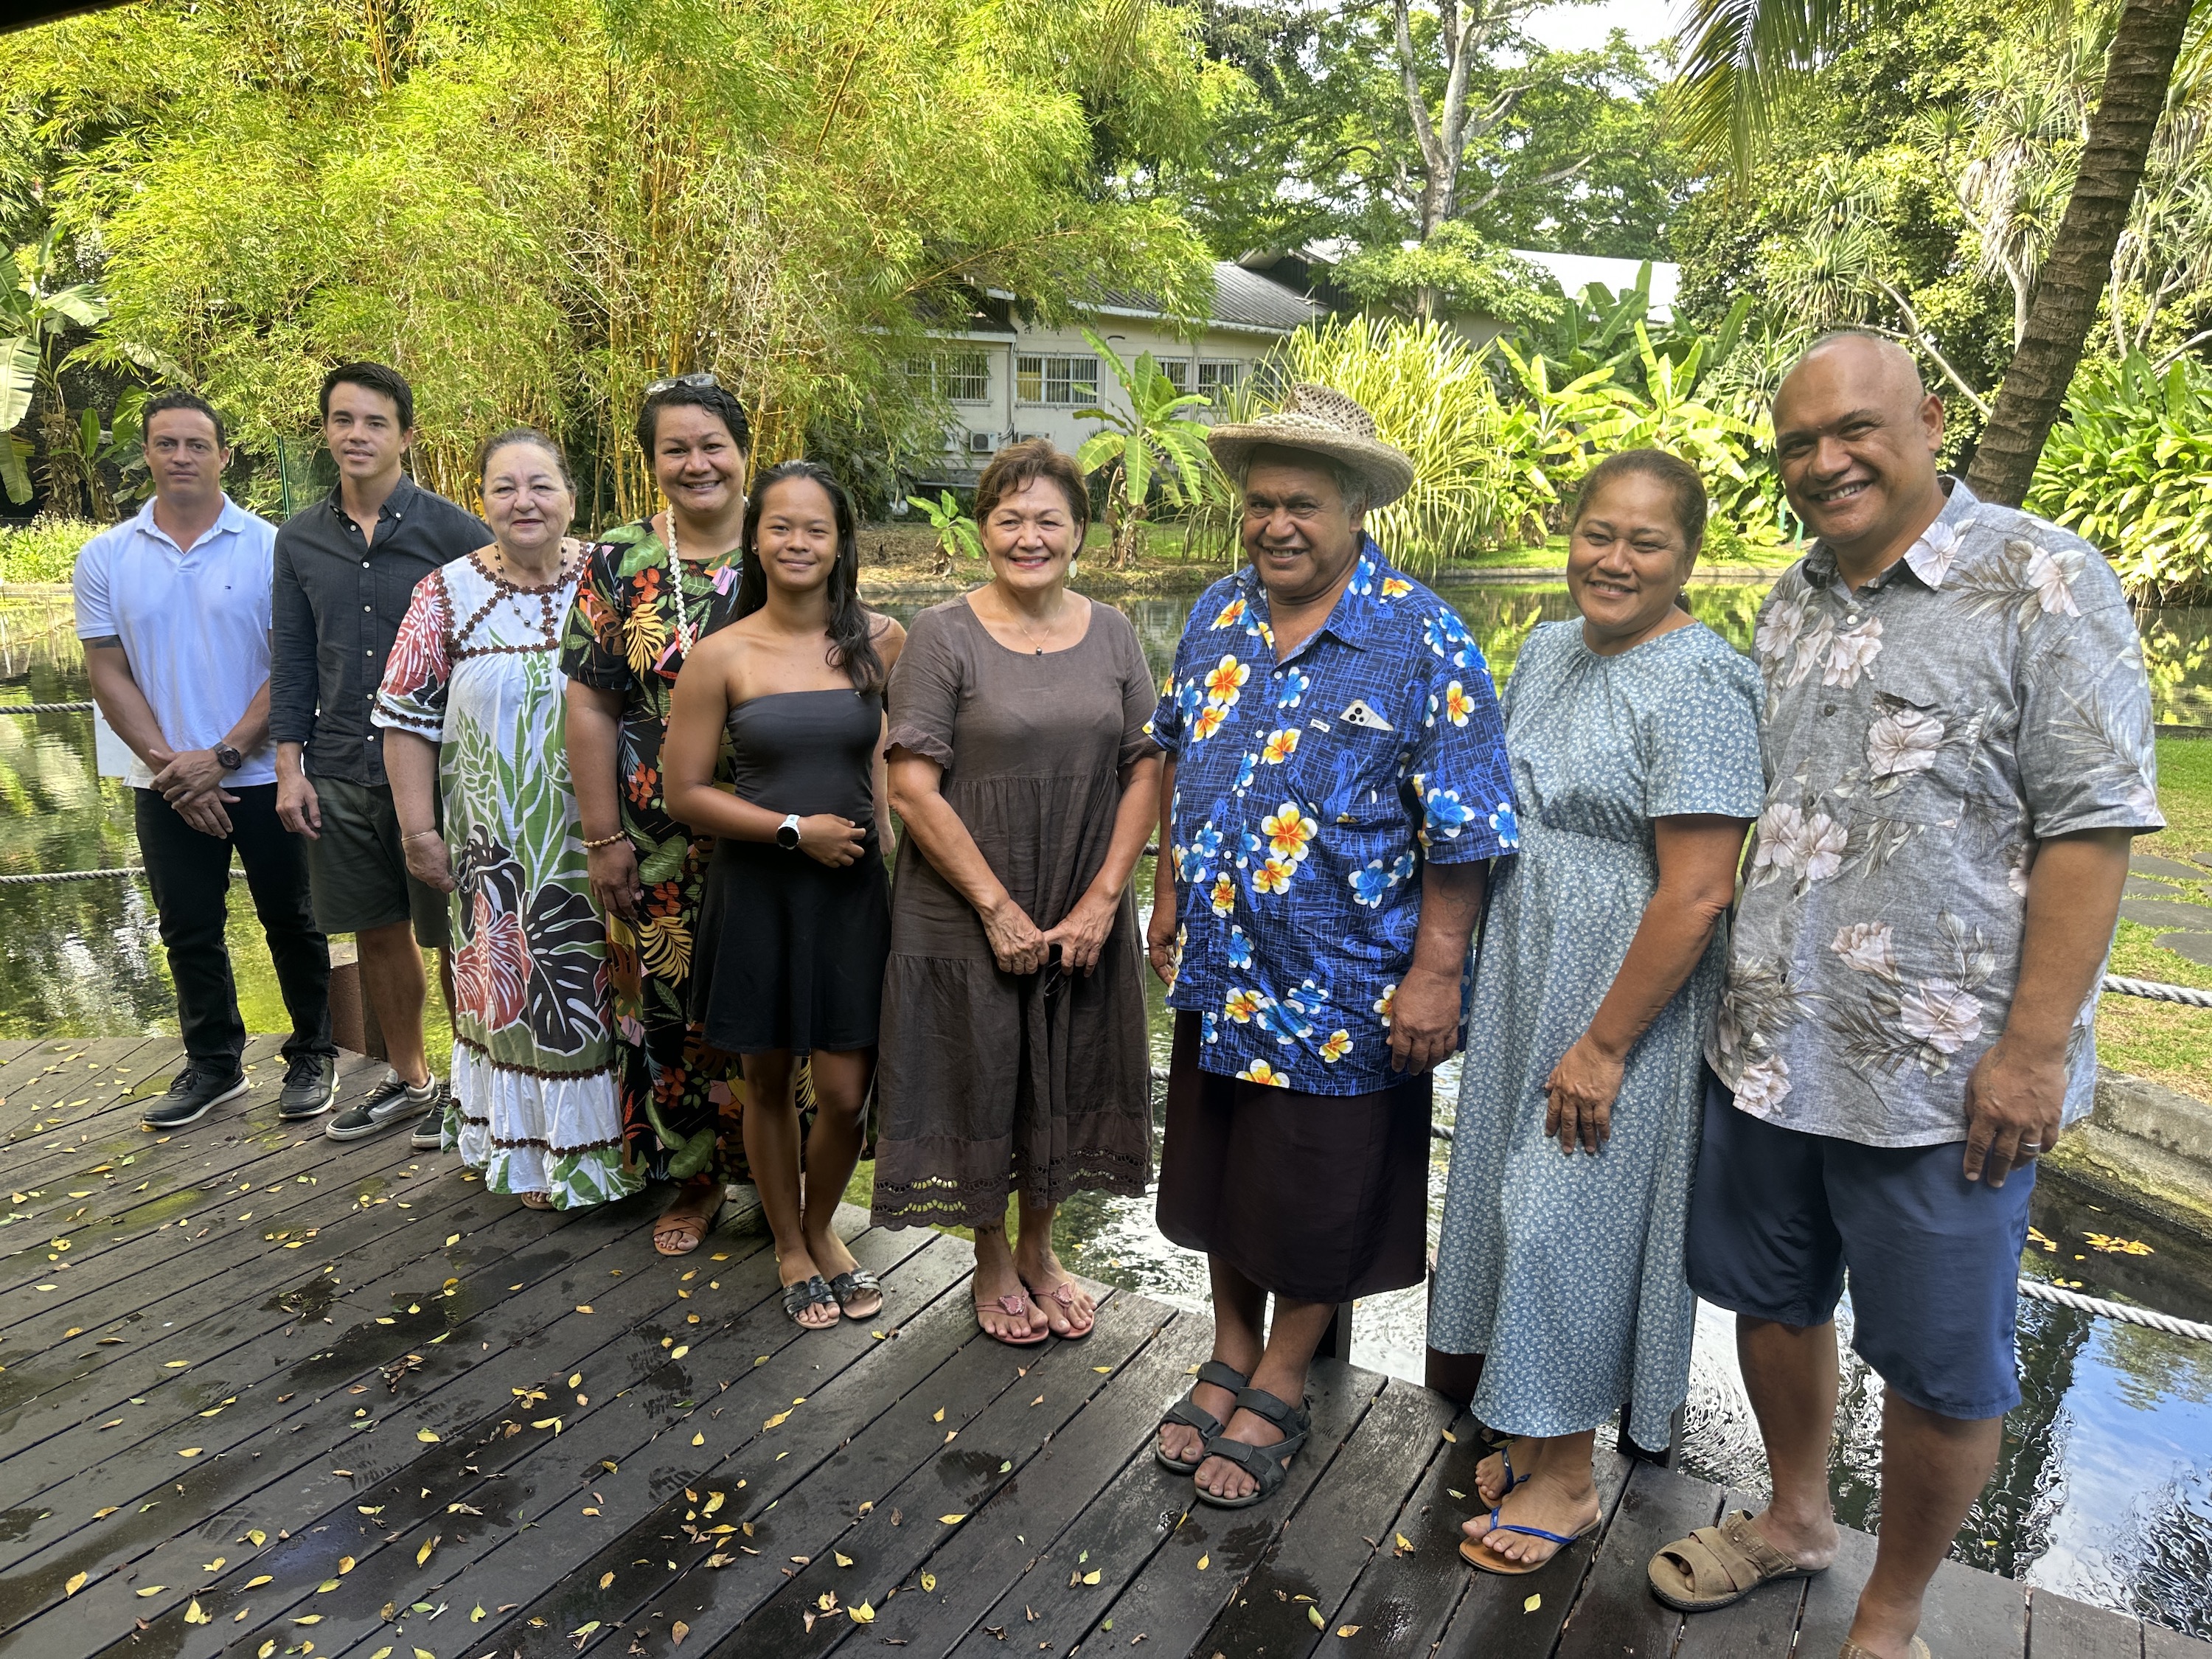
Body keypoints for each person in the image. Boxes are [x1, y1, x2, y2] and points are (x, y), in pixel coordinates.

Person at [1646, 335, 2157, 1659]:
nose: (1825, 462)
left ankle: (1892, 1610)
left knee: (1943, 1363)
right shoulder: (1793, 601)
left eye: (1855, 430)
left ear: (1931, 421)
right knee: (1771, 1298)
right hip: (1771, 1049)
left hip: (1946, 1079)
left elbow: (2093, 830)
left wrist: (2033, 1051)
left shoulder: (2044, 581)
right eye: (1798, 445)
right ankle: (1798, 1520)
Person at [1146, 384, 1517, 1509]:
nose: (1276, 526)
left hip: (1348, 979)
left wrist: (1437, 971)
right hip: (1222, 961)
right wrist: (1164, 892)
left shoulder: (1423, 637)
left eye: (1302, 503)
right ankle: (1226, 1346)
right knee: (1218, 1171)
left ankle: (1286, 1374)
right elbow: (1174, 756)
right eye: (1260, 504)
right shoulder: (1217, 612)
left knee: (1318, 1187)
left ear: (1357, 509)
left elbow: (1465, 828)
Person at [1426, 450, 1763, 1573]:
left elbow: (1701, 887)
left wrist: (1608, 1040)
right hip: (1531, 962)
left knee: (1570, 1207)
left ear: (1688, 558)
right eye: (1597, 534)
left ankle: (1568, 1477)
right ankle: (1533, 1428)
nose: (1614, 560)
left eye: (1646, 542)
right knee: (1515, 1197)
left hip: (1625, 986)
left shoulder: (1701, 680)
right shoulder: (1551, 649)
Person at [872, 439, 1160, 1346]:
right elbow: (911, 785)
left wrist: (1107, 898)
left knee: (1064, 1066)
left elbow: (1147, 764)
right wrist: (995, 906)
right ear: (982, 530)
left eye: (1049, 520)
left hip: (1082, 884)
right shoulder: (941, 634)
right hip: (965, 897)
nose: (1028, 536)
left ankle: (1042, 1249)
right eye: (1009, 518)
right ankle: (991, 1257)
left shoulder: (1113, 631)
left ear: (1081, 532)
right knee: (979, 1067)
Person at [664, 461, 904, 1324]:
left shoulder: (884, 641)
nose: (797, 543)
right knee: (764, 1080)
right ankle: (793, 1247)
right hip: (760, 886)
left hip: (851, 893)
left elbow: (889, 771)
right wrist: (796, 830)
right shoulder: (721, 654)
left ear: (841, 545)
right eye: (781, 528)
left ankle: (820, 1222)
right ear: (755, 540)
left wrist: (894, 855)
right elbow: (682, 792)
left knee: (845, 1090)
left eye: (816, 529)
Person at [373, 429, 639, 1209]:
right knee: (524, 998)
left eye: (541, 485)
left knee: (620, 997)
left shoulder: (613, 579)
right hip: (502, 854)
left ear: (571, 496)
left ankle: (638, 1149)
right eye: (504, 488)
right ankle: (539, 1157)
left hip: (613, 846)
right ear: (481, 500)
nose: (524, 502)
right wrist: (418, 831)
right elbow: (404, 719)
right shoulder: (445, 593)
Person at [74, 390, 338, 1130]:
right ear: (148, 455)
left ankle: (313, 1053)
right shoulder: (105, 557)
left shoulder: (271, 546)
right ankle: (214, 1067)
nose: (181, 457)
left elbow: (293, 664)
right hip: (162, 781)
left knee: (293, 919)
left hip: (264, 776)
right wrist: (172, 768)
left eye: (196, 444)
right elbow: (106, 669)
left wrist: (220, 757)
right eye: (167, 444)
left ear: (224, 455)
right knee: (187, 927)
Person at [560, 376, 757, 1254]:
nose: (696, 463)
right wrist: (604, 837)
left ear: (743, 450)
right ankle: (696, 1179)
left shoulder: (792, 534)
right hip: (656, 836)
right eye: (675, 448)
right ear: (652, 463)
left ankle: (790, 1183)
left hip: (779, 824)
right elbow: (591, 704)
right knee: (674, 1013)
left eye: (712, 443)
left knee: (782, 1002)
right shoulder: (620, 560)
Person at [271, 361, 488, 1144]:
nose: (356, 435)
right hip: (340, 769)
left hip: (439, 775)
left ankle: (476, 1088)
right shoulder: (297, 539)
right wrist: (289, 767)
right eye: (342, 420)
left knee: (459, 931)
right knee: (375, 930)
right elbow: (293, 661)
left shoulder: (458, 533)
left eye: (373, 422)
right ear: (325, 430)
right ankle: (411, 1080)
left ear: (405, 434)